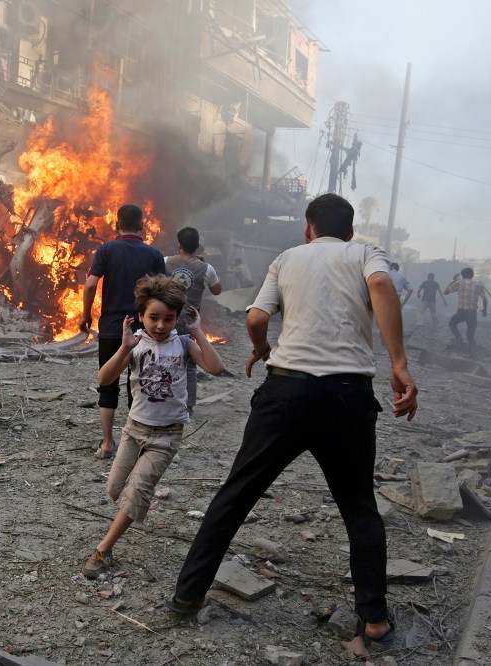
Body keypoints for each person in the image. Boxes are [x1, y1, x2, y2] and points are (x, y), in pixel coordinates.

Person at [166, 193, 418, 647]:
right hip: (347, 396)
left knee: (236, 494)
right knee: (359, 506)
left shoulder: (286, 259)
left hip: (286, 392)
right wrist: (399, 363)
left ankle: (186, 597)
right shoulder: (365, 254)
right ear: (351, 230)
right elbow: (381, 287)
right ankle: (375, 619)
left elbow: (257, 316)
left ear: (308, 227)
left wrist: (262, 349)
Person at [82, 275, 224, 579]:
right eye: (153, 318)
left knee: (135, 493)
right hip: (134, 430)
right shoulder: (135, 346)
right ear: (141, 315)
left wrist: (197, 332)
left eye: (168, 319)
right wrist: (122, 348)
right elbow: (104, 379)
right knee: (115, 489)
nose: (160, 325)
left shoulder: (183, 344)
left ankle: (103, 550)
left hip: (167, 435)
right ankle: (136, 501)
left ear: (177, 319)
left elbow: (215, 367)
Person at [79, 204, 166, 459]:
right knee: (137, 386)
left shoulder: (106, 249)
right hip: (143, 331)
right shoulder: (154, 254)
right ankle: (136, 444)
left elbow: (91, 283)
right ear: (142, 225)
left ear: (116, 225)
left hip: (111, 327)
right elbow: (164, 291)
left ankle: (107, 444)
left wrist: (86, 315)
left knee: (108, 385)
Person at [165, 226, 222, 416]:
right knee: (189, 363)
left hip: (167, 318)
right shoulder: (206, 268)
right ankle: (188, 406)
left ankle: (163, 399)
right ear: (198, 246)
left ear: (179, 244)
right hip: (189, 320)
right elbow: (217, 290)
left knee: (163, 356)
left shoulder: (165, 262)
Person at [444, 267, 488, 354]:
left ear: (463, 275)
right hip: (472, 312)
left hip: (461, 311)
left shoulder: (459, 283)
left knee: (452, 323)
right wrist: (484, 310)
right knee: (470, 336)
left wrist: (453, 280)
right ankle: (475, 354)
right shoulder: (478, 284)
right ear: (472, 275)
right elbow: (485, 299)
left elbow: (446, 292)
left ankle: (458, 337)